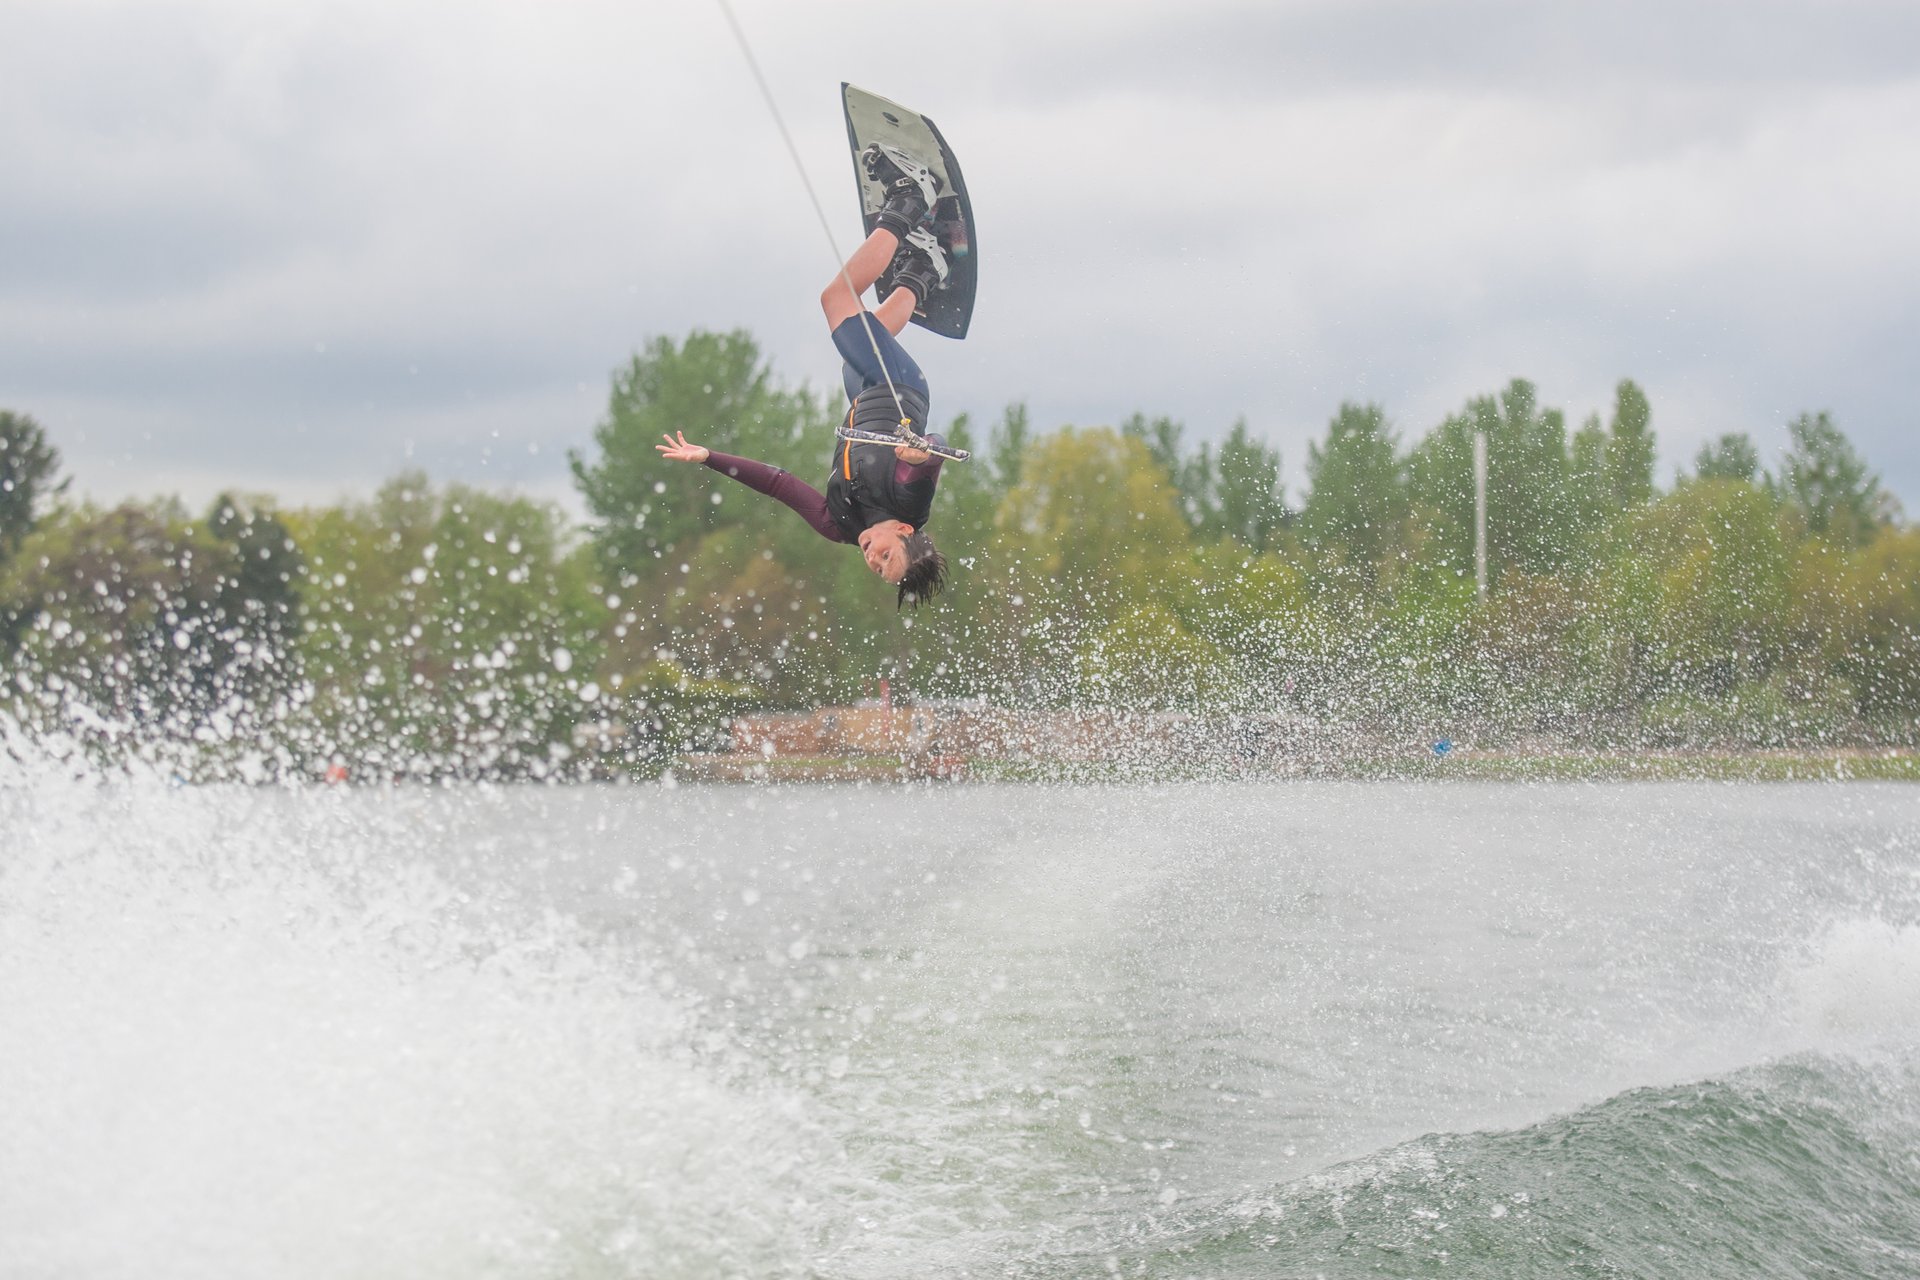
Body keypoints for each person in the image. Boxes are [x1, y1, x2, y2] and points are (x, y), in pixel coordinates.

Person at [656, 143, 953, 609]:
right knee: (837, 300)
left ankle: (921, 270)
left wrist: (708, 456)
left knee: (857, 346)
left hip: (862, 393)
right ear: (903, 531)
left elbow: (780, 484)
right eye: (887, 556)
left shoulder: (838, 525)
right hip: (899, 388)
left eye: (877, 569)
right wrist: (919, 454)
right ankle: (908, 200)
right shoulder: (910, 504)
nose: (873, 560)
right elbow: (932, 453)